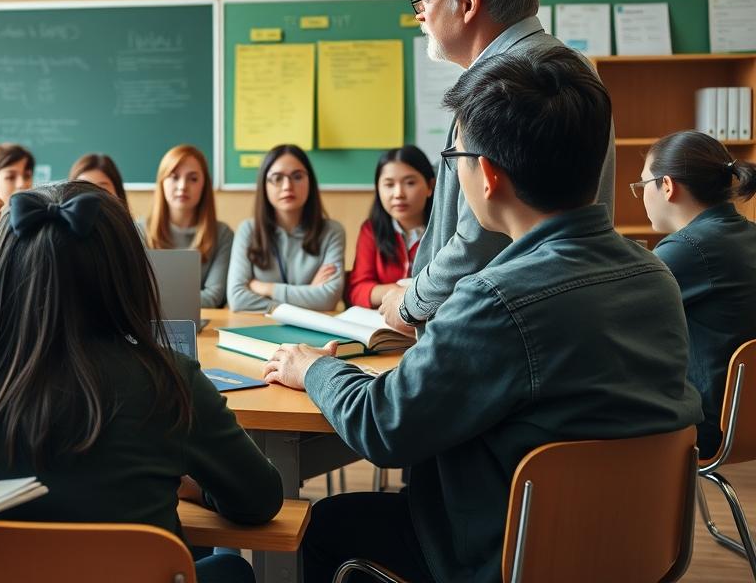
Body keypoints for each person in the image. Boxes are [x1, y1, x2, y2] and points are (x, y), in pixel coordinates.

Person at [263, 47, 700, 582]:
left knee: (321, 526)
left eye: (455, 158)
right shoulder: (655, 276)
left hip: (510, 554)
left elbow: (382, 427)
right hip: (631, 548)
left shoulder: (496, 298)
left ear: (487, 175)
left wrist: (313, 368)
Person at [0, 181, 282, 583]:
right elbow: (257, 501)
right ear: (125, 272)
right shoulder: (168, 381)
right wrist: (196, 489)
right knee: (230, 568)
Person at [384, 0, 615, 333]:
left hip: (505, 327)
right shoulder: (568, 65)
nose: (420, 14)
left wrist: (410, 303)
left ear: (467, 2)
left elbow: (481, 238)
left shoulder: (508, 83)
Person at [637, 130, 756, 459]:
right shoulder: (749, 234)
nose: (641, 195)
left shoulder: (688, 248)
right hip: (745, 420)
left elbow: (620, 309)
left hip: (708, 424)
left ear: (666, 186)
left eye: (642, 185)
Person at [227, 145, 344, 313]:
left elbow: (327, 300)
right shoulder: (248, 230)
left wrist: (267, 288)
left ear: (310, 181)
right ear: (264, 185)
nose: (287, 186)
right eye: (277, 178)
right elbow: (237, 299)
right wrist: (309, 293)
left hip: (310, 327)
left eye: (297, 176)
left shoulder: (332, 231)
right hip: (257, 326)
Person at [140, 145, 233, 309]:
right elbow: (134, 293)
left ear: (204, 185)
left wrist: (156, 301)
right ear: (162, 182)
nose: (182, 186)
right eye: (174, 177)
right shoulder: (138, 230)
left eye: (193, 179)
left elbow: (214, 297)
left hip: (202, 320)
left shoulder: (222, 234)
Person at [346, 146, 435, 308]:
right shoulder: (371, 230)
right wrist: (401, 291)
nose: (398, 193)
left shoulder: (446, 232)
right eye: (389, 184)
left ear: (430, 186)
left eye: (410, 183)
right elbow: (358, 290)